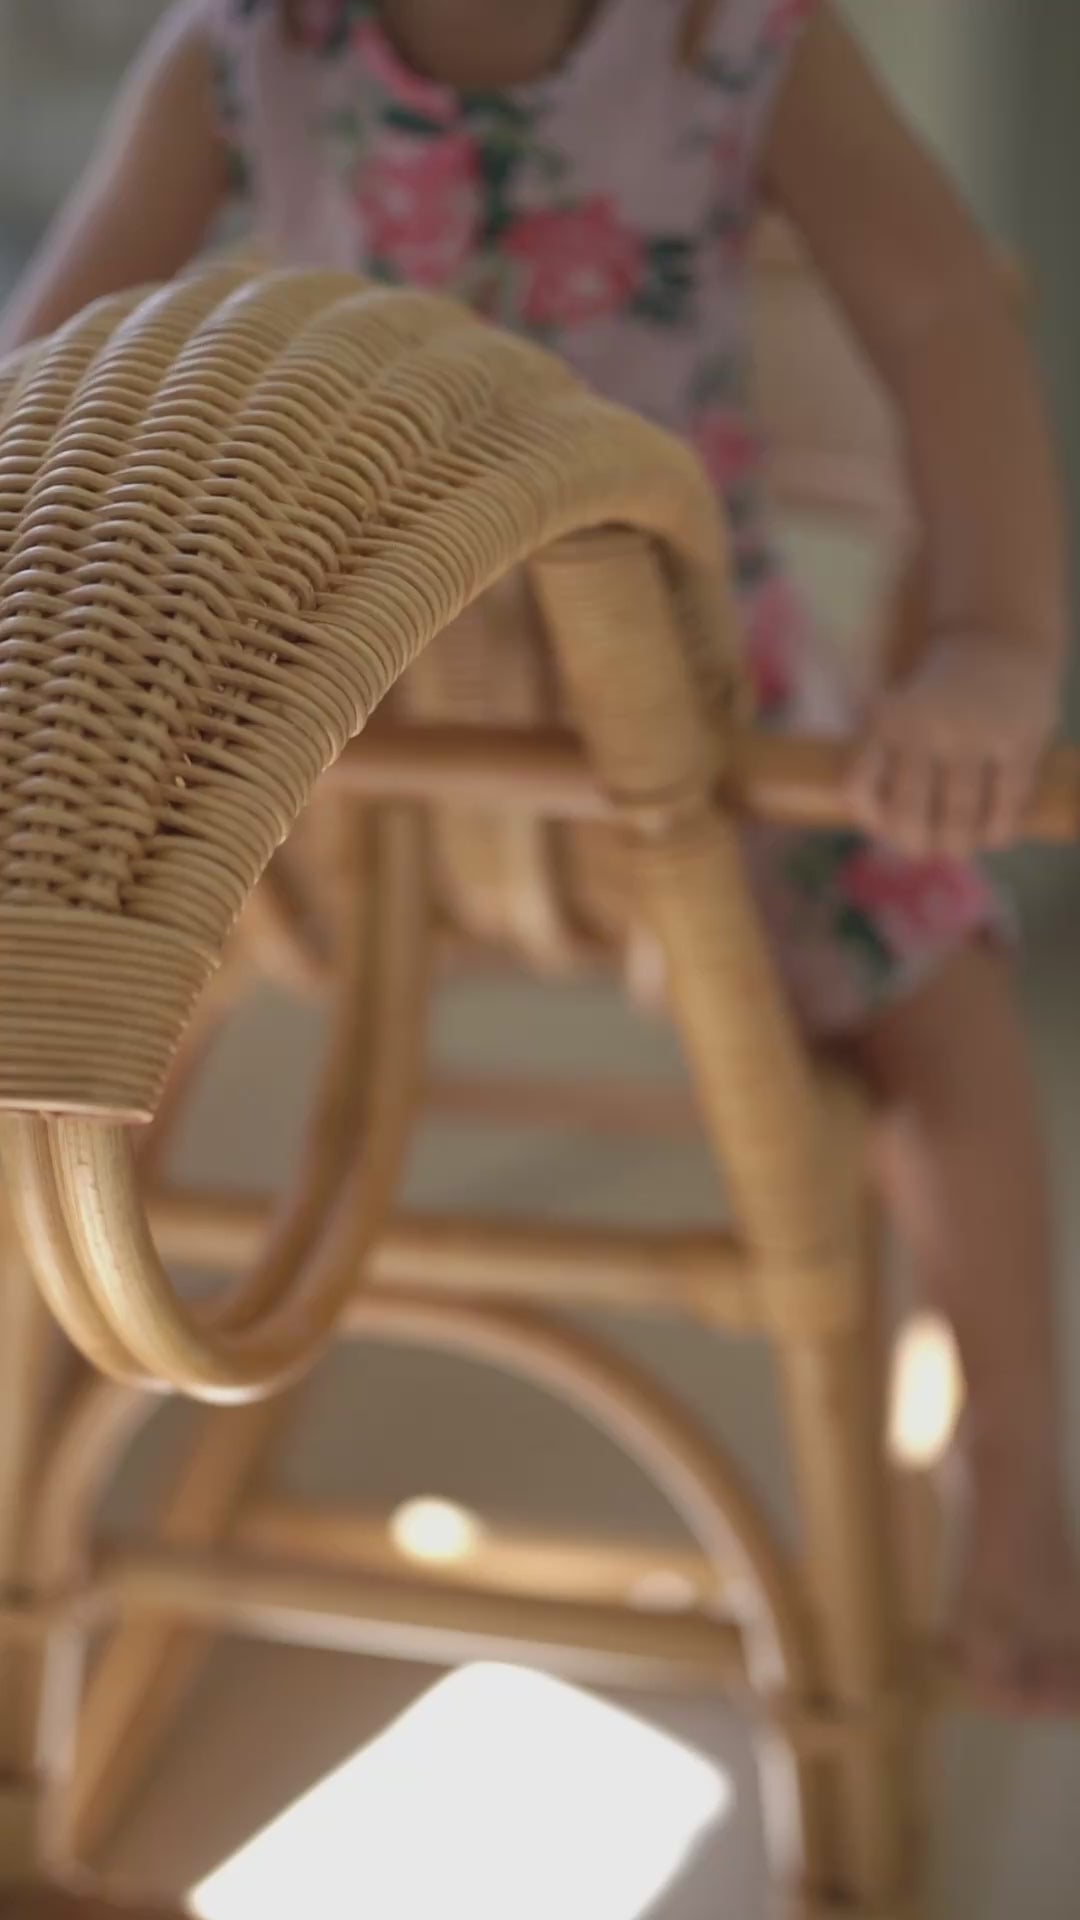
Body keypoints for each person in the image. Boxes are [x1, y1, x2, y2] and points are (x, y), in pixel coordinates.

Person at [2, 0, 1077, 1709]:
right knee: (62, 968)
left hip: (693, 734)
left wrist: (991, 647)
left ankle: (1013, 1466)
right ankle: (39, 1435)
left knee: (941, 996)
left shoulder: (739, 39)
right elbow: (56, 360)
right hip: (336, 748)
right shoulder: (244, 47)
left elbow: (941, 308)